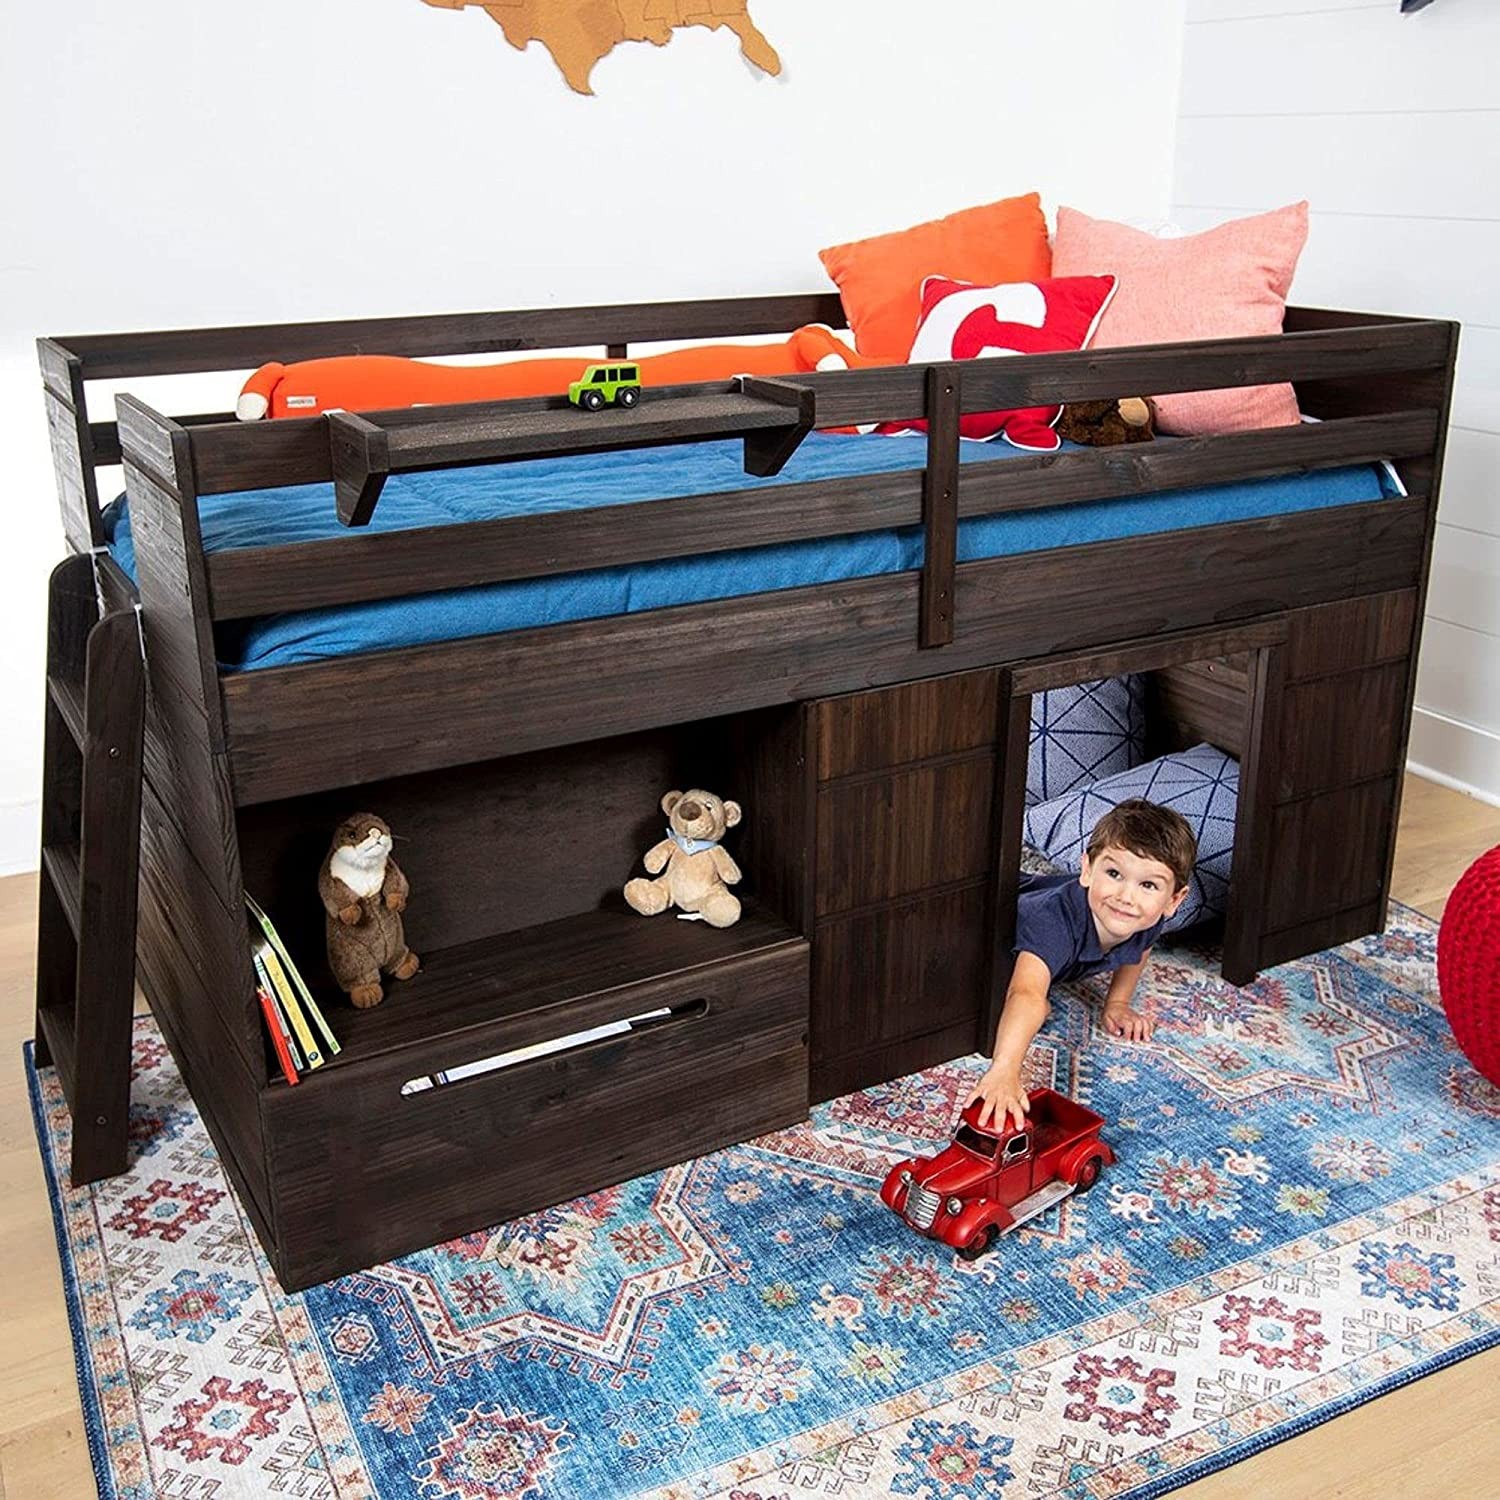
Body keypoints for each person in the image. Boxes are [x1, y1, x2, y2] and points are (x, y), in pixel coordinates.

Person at [965, 798, 1197, 1132]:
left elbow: (1142, 947)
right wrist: (1005, 1069)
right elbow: (1026, 993)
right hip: (978, 927)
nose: (1126, 897)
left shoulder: (1146, 918)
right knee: (996, 1002)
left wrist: (1117, 1002)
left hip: (1032, 942)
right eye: (1114, 874)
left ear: (1173, 900)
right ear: (1087, 869)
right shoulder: (1053, 922)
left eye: (1148, 885)